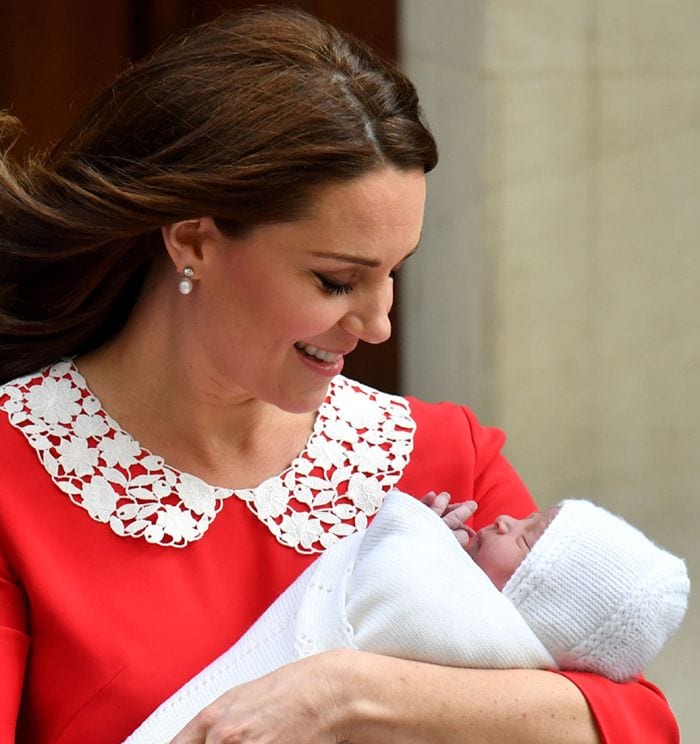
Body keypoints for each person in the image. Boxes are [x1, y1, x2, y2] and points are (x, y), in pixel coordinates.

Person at [0, 6, 680, 743]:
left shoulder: (443, 458)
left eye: (393, 274)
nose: (379, 322)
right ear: (194, 240)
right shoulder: (13, 479)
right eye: (335, 280)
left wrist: (349, 693)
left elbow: (633, 721)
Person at [124, 491, 690, 742]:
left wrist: (423, 537)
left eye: (526, 541)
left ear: (540, 607)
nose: (502, 521)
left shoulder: (488, 643)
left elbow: (628, 721)